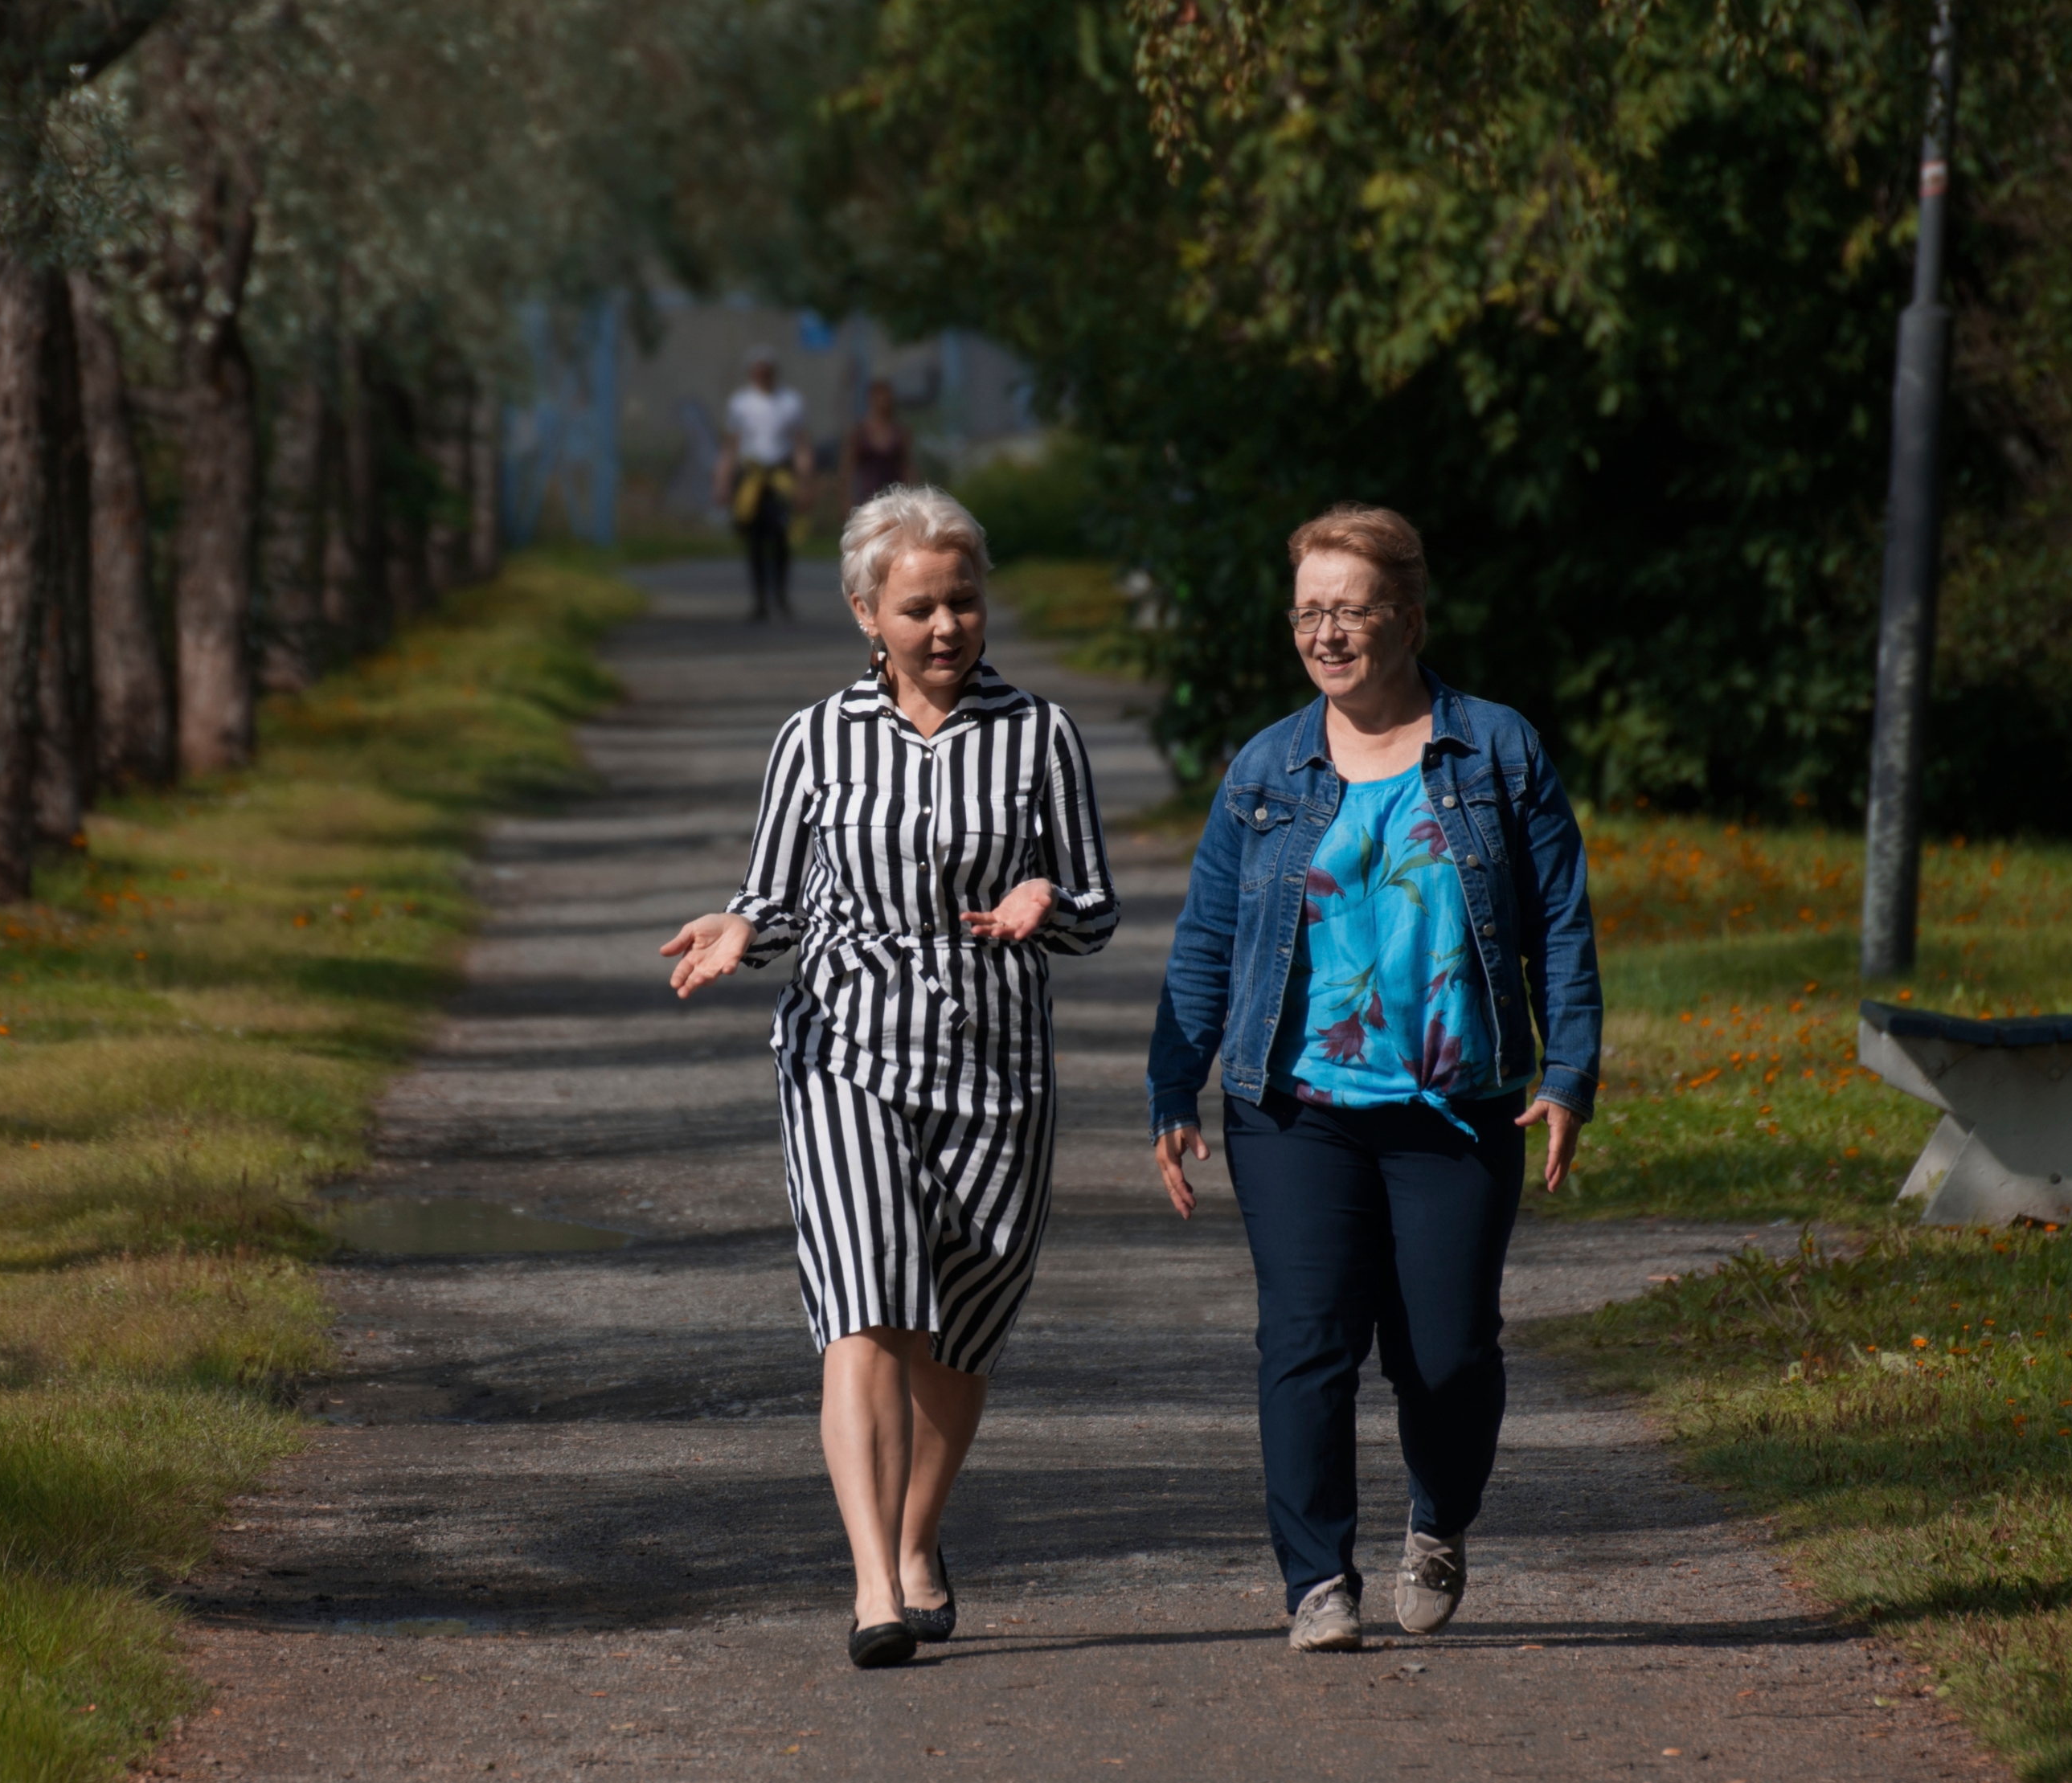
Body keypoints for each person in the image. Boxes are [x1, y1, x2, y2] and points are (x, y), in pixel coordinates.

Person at [660, 485, 1120, 1670]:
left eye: (962, 601)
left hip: (995, 1063)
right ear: (868, 612)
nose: (945, 627)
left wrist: (1044, 901)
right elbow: (771, 894)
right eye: (918, 607)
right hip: (843, 1052)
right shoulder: (812, 740)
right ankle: (872, 1585)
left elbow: (1096, 906)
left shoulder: (1040, 737)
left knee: (960, 1322)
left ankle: (919, 1539)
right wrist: (735, 930)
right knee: (866, 1306)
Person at [1148, 502, 1600, 1654]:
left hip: (1455, 1106)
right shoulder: (1265, 769)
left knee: (1446, 1354)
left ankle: (1440, 1519)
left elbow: (1557, 922)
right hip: (1292, 1108)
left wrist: (1571, 1071)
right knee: (1306, 1340)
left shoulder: (1494, 750)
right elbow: (1206, 939)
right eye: (1308, 611)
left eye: (1349, 610)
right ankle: (1316, 1582)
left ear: (1407, 615)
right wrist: (1172, 1086)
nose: (1326, 633)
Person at [715, 348, 813, 622]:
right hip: (752, 475)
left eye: (767, 369)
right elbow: (731, 445)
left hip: (780, 475)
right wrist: (723, 480)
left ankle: (780, 595)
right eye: (758, 369)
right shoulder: (740, 403)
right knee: (755, 540)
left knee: (782, 537)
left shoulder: (790, 401)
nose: (763, 374)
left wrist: (805, 481)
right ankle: (759, 599)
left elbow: (801, 445)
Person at [840, 374, 914, 517]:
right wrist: (845, 499)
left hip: (895, 498)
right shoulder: (859, 432)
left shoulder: (899, 432)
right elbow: (847, 469)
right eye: (878, 395)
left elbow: (907, 467)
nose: (883, 400)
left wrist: (914, 495)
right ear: (870, 398)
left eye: (886, 395)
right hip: (867, 498)